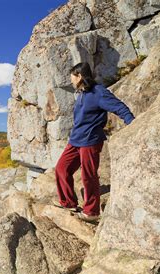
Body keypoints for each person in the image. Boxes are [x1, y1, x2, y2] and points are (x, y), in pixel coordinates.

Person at [53, 62, 135, 223]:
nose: (71, 80)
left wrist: (133, 123)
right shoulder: (82, 93)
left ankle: (92, 212)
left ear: (80, 76)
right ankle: (68, 203)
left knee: (88, 176)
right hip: (75, 140)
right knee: (61, 168)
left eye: (72, 77)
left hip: (90, 141)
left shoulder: (99, 93)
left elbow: (119, 107)